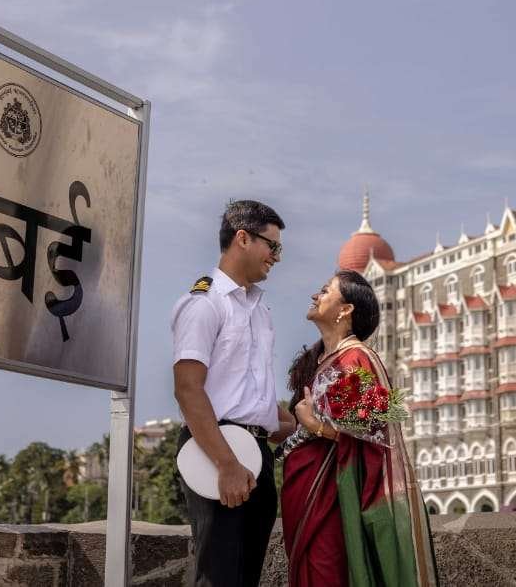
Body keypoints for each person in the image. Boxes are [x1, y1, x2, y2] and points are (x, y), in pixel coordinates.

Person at [280, 270, 438, 587]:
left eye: (325, 290)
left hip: (336, 499)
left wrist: (317, 427)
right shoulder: (317, 362)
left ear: (346, 309)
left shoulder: (358, 358)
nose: (315, 295)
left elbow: (374, 435)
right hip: (303, 489)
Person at [171, 200, 296, 587]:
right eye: (272, 246)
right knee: (219, 576)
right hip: (217, 450)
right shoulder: (204, 304)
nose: (277, 256)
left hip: (256, 450)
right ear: (243, 238)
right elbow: (188, 389)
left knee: (245, 577)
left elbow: (247, 394)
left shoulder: (259, 309)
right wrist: (226, 464)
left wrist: (292, 422)